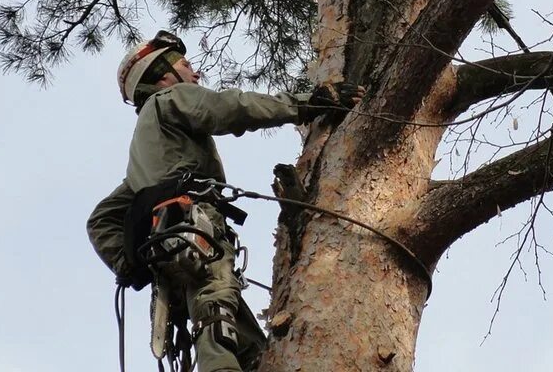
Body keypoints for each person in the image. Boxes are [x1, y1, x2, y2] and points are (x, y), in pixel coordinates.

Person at [87, 30, 363, 372]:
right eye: (186, 66)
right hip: (195, 227)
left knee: (233, 331)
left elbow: (101, 219)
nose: (195, 74)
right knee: (216, 313)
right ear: (162, 77)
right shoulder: (170, 99)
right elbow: (230, 108)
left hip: (168, 255)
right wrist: (305, 103)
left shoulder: (142, 161)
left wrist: (130, 264)